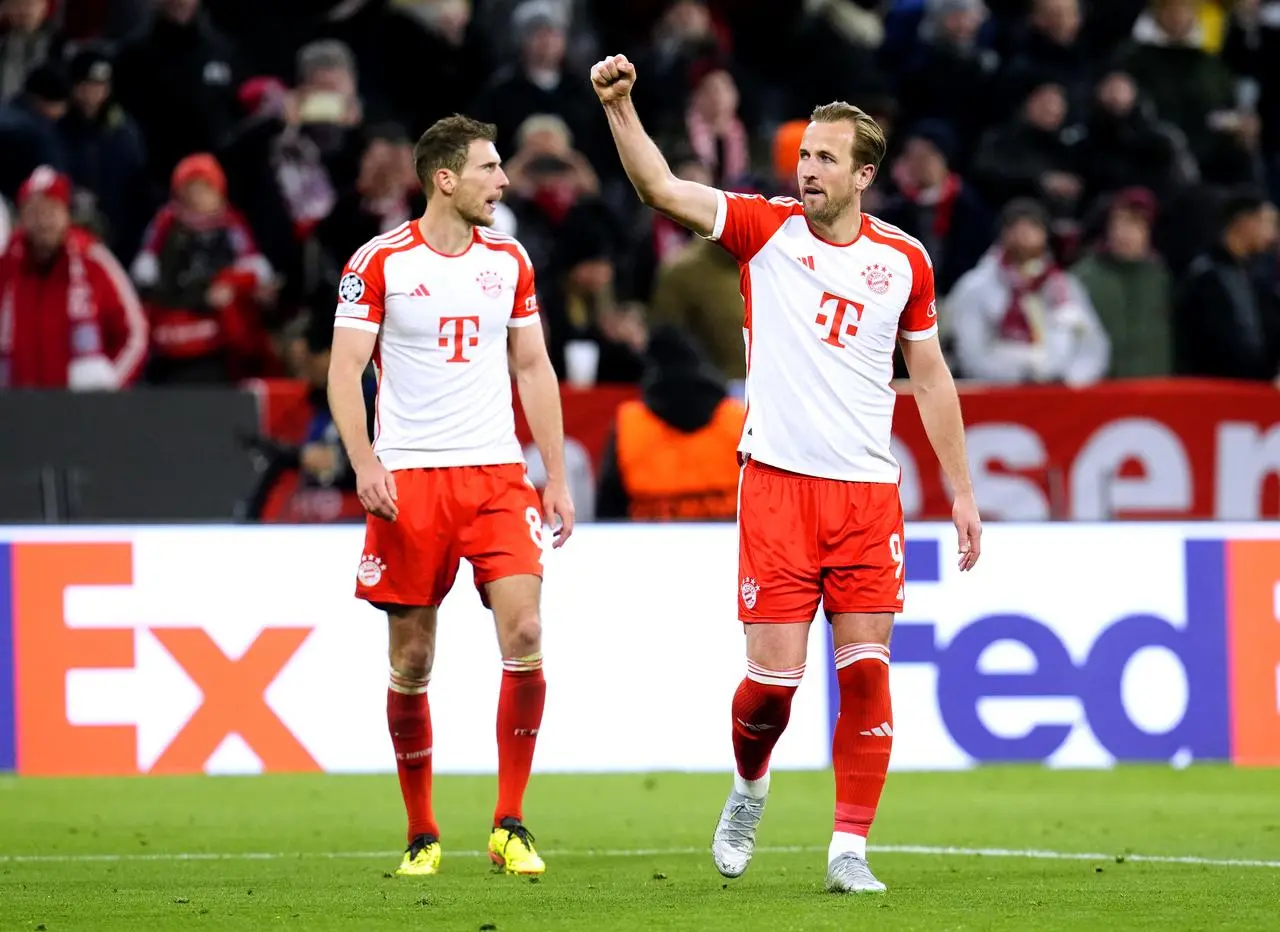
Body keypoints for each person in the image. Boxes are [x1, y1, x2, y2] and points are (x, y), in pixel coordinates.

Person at [590, 54, 982, 894]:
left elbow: (933, 376)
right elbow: (661, 187)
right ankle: (750, 785)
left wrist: (962, 490)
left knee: (866, 669)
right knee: (770, 689)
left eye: (826, 158)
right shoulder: (763, 229)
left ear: (864, 173)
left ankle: (849, 848)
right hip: (776, 487)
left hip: (867, 493)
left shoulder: (904, 262)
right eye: (804, 153)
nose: (808, 168)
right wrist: (621, 108)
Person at [327, 114, 574, 879]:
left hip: (497, 474)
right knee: (414, 655)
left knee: (527, 629)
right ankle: (422, 831)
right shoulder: (380, 263)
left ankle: (510, 823)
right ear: (445, 179)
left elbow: (533, 367)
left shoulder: (510, 260)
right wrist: (365, 461)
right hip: (411, 478)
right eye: (490, 169)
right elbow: (344, 371)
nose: (503, 182)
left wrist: (556, 474)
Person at [0, 165, 147, 389]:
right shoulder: (6, 267)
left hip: (81, 414)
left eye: (51, 210)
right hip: (16, 411)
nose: (43, 221)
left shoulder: (93, 260)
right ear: (22, 218)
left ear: (66, 214)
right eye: (34, 211)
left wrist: (110, 384)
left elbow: (135, 333)